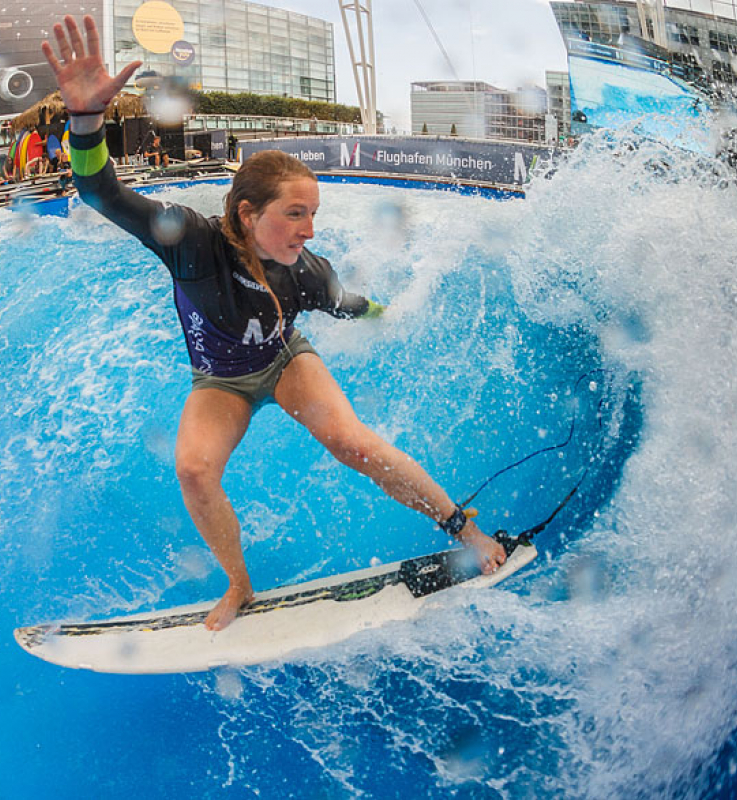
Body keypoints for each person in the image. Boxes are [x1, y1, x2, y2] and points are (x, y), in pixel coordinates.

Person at [42, 15, 506, 632]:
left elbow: (352, 304)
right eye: (295, 214)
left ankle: (466, 529)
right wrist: (86, 122)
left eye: (313, 214)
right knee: (194, 469)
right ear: (247, 212)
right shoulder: (192, 242)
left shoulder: (306, 270)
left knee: (353, 443)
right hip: (220, 382)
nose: (309, 230)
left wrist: (401, 315)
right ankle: (239, 585)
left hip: (285, 362)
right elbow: (100, 194)